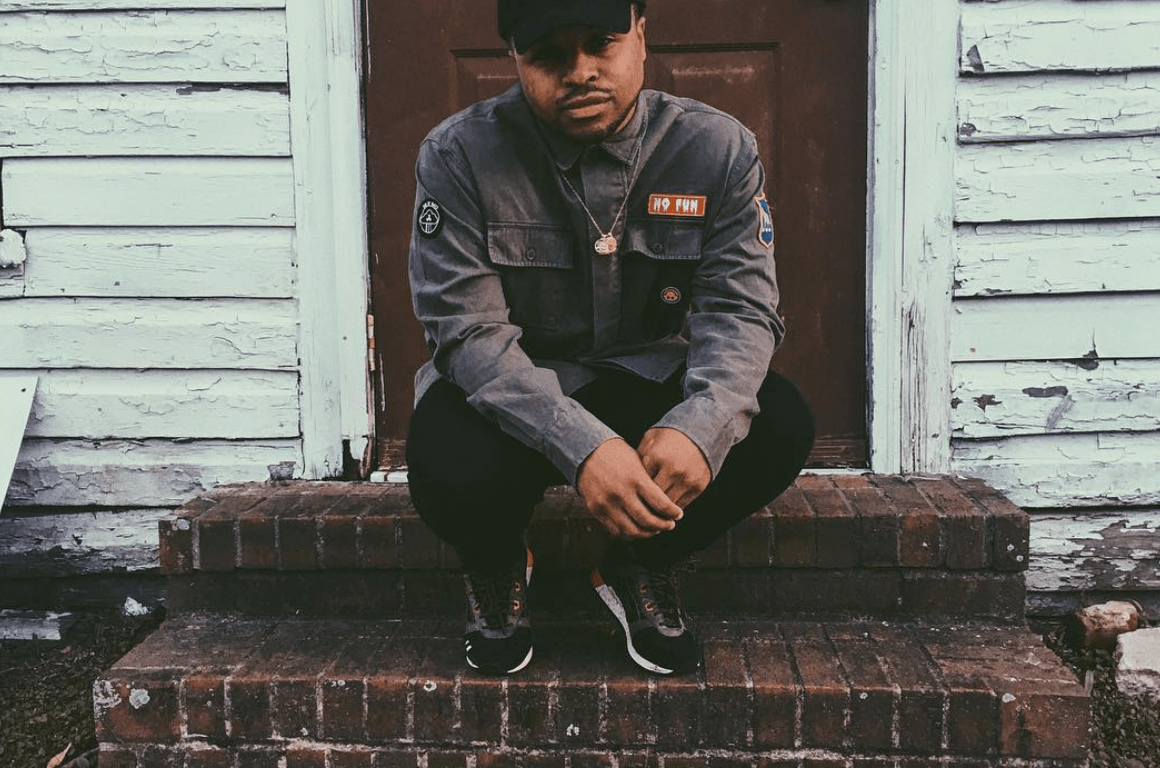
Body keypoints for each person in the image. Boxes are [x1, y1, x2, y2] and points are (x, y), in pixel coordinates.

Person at [405, 0, 815, 676]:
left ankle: (640, 561)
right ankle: (497, 559)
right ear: (514, 58)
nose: (580, 72)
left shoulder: (716, 149)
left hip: (642, 381)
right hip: (520, 394)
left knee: (777, 420)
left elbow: (741, 311)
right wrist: (582, 446)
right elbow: (468, 332)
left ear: (641, 38)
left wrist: (700, 428)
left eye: (601, 42)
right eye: (549, 55)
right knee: (443, 451)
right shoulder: (459, 155)